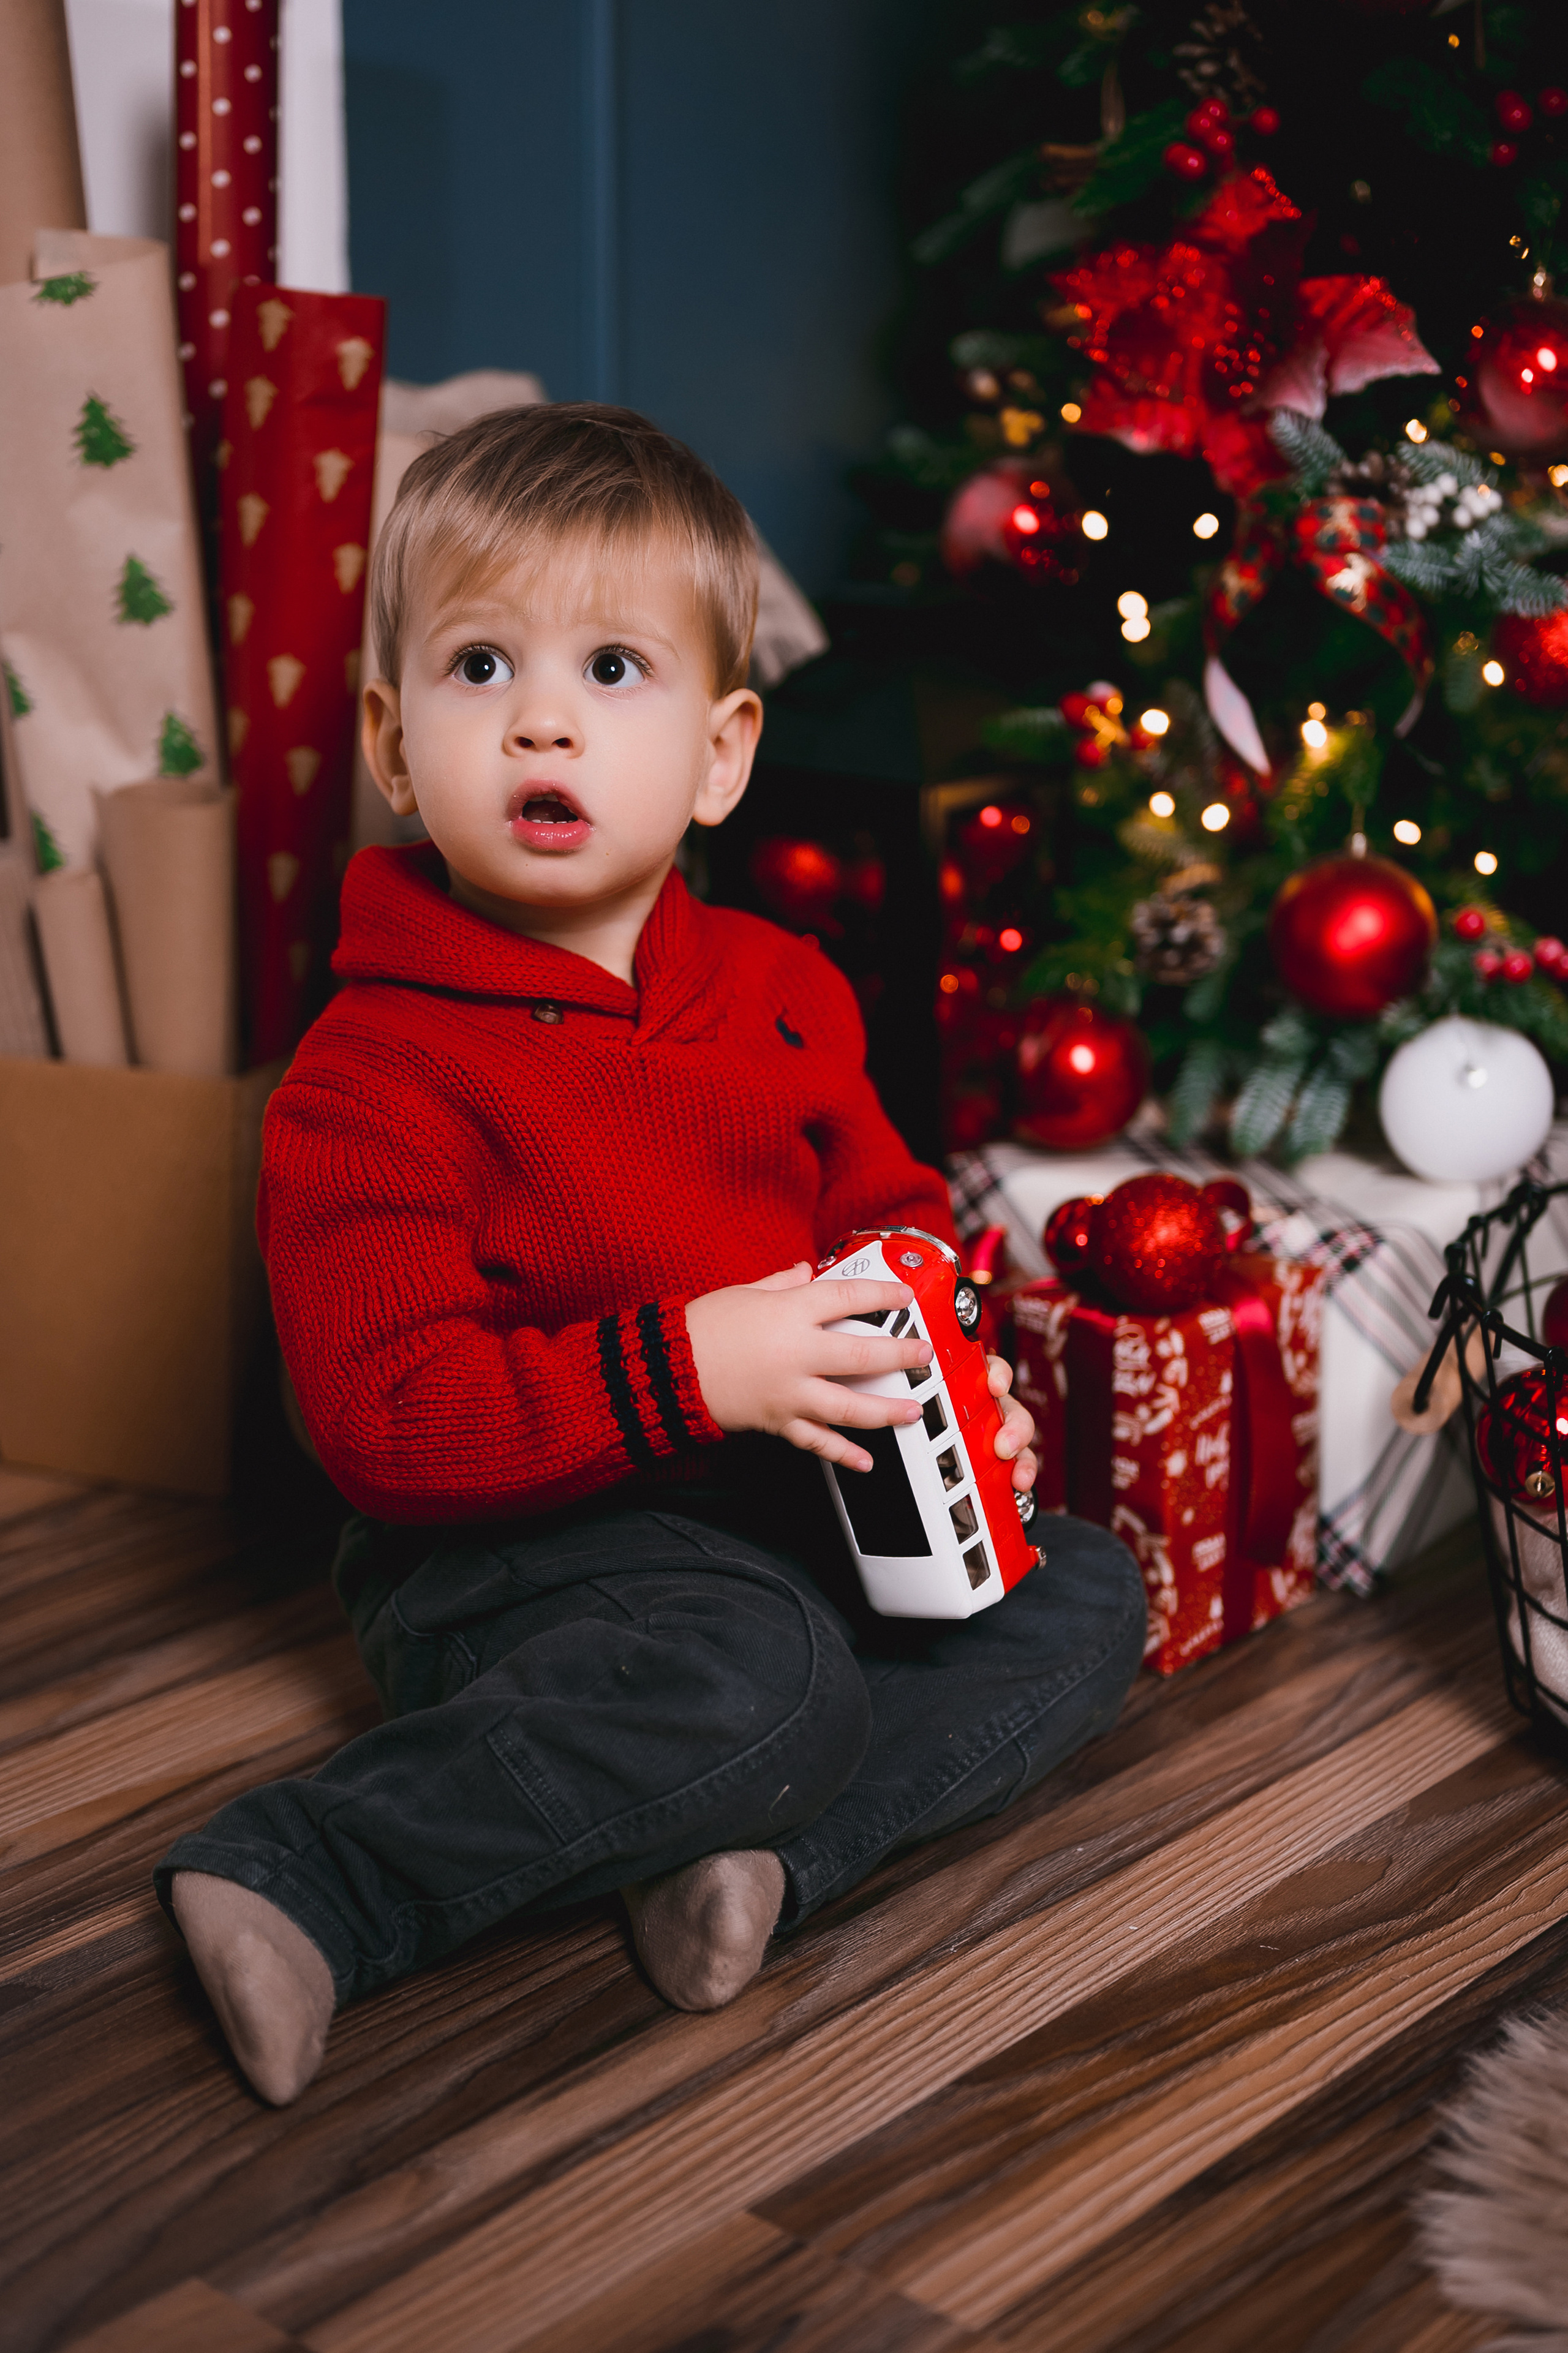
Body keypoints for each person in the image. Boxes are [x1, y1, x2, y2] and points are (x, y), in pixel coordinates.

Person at [155, 404, 1146, 2105]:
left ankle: (749, 1857)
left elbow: (890, 1205)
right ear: (395, 745)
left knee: (1086, 1594)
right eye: (480, 667)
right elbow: (389, 1415)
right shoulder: (366, 1074)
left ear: (720, 752)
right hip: (518, 1556)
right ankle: (311, 1874)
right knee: (761, 1672)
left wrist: (938, 1360)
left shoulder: (780, 981)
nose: (543, 713)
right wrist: (695, 1363)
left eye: (613, 670)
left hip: (792, 1500)